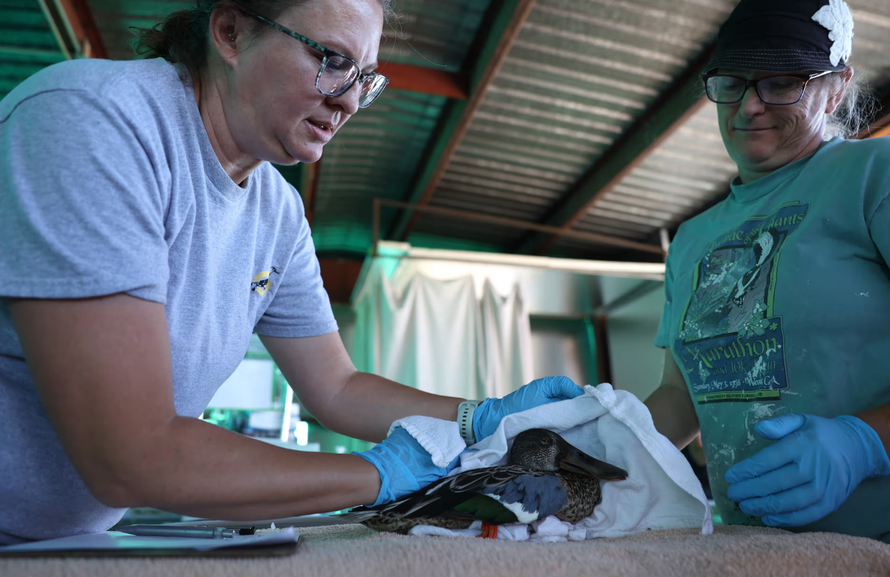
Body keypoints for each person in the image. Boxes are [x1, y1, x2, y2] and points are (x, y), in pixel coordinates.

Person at [0, 0, 584, 544]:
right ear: (231, 33)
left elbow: (337, 388)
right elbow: (131, 453)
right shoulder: (95, 122)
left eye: (366, 78)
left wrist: (476, 418)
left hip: (62, 543)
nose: (351, 101)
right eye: (333, 61)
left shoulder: (275, 213)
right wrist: (378, 475)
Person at [645, 0, 890, 542]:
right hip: (752, 546)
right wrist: (592, 445)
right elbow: (681, 397)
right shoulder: (691, 239)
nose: (750, 106)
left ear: (838, 87)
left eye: (781, 83)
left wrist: (865, 442)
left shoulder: (874, 176)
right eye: (732, 82)